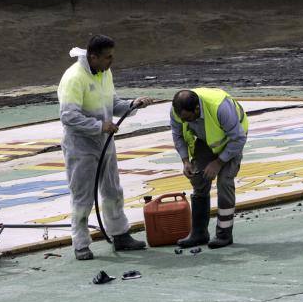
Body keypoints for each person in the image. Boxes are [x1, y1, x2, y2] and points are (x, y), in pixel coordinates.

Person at [57, 34, 153, 260]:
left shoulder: (105, 73)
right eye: (108, 57)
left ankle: (120, 234)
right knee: (82, 196)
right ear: (93, 57)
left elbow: (113, 104)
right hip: (80, 146)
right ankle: (80, 243)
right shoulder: (74, 78)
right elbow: (68, 116)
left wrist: (132, 104)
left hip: (105, 143)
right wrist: (100, 126)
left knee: (112, 190)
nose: (112, 61)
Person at [170, 88, 248, 249]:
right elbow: (177, 134)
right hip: (206, 140)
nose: (185, 122)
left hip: (232, 140)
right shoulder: (177, 111)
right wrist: (185, 160)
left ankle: (224, 234)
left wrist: (218, 163)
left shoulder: (220, 107)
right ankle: (199, 233)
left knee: (224, 182)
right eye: (182, 118)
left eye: (188, 118)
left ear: (197, 109)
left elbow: (239, 138)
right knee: (198, 179)